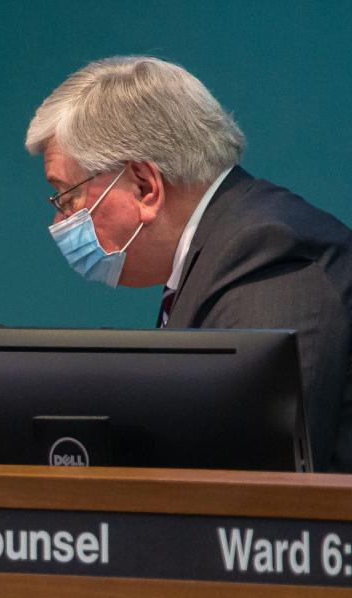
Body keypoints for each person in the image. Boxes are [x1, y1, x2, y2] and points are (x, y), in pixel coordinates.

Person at [26, 56, 352, 471]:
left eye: (67, 197)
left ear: (145, 185)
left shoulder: (269, 253)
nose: (60, 221)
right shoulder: (217, 249)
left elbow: (260, 477)